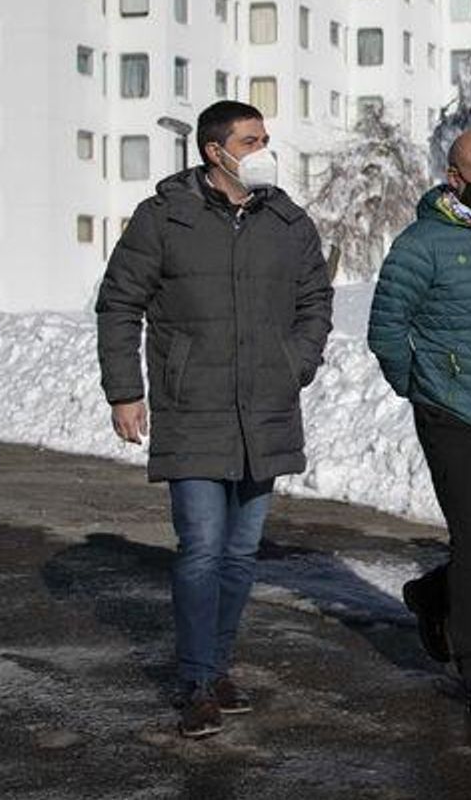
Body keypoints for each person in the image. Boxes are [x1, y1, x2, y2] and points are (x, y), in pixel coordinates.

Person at [95, 100, 334, 739]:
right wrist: (126, 391)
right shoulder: (164, 218)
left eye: (265, 138)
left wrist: (296, 362)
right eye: (251, 140)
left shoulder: (287, 221)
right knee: (201, 548)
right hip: (191, 409)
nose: (264, 150)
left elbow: (316, 298)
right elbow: (119, 303)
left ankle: (218, 665)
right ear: (214, 151)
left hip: (266, 410)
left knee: (240, 551)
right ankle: (198, 682)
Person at [366, 130, 471, 724]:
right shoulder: (420, 245)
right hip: (448, 412)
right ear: (454, 178)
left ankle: (431, 593)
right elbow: (386, 329)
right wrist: (421, 385)